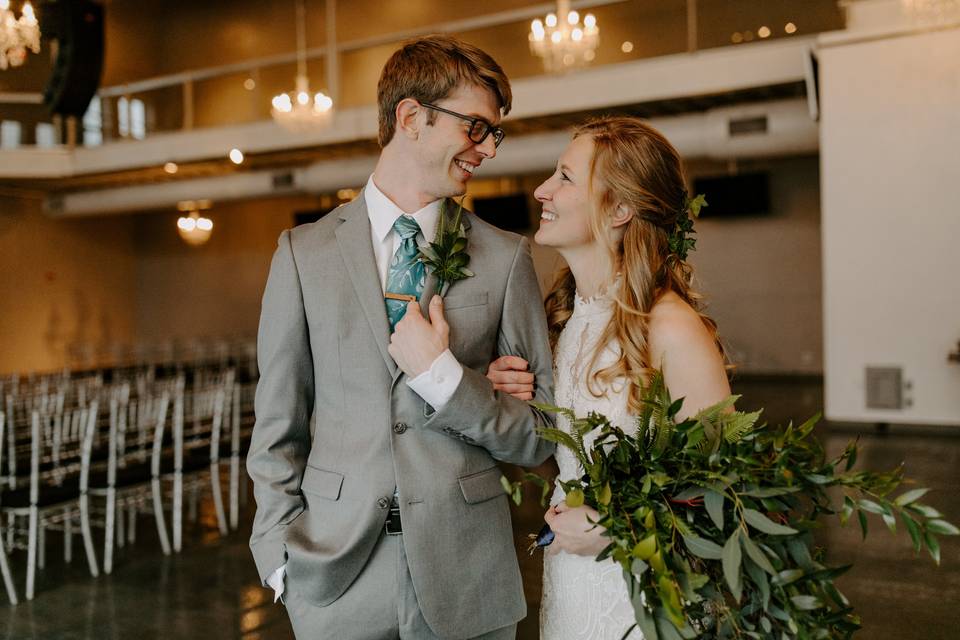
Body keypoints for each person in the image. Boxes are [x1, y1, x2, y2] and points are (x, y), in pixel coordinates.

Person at [247, 35, 555, 640]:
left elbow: (539, 437)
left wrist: (449, 381)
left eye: (495, 134)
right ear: (411, 117)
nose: (487, 149)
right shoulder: (302, 253)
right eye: (476, 127)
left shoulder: (507, 258)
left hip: (468, 575)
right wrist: (277, 557)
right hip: (333, 578)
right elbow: (277, 421)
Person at [487, 116, 730, 639]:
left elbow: (726, 493)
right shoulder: (566, 319)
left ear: (620, 209)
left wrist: (616, 526)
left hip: (644, 600)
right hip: (573, 586)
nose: (542, 189)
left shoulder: (670, 328)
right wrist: (509, 391)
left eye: (565, 178)